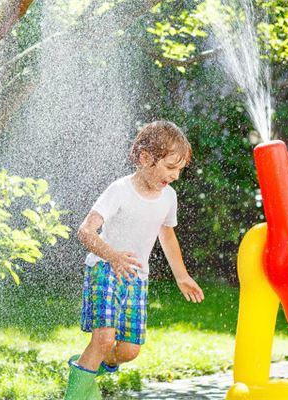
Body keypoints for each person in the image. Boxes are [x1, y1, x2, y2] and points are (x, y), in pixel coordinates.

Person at [64, 120, 205, 399]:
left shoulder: (169, 197)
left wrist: (182, 275)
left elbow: (167, 235)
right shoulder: (120, 190)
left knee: (129, 351)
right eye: (170, 167)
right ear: (145, 158)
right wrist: (113, 256)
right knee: (103, 339)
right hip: (105, 268)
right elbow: (85, 230)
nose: (175, 175)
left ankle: (86, 367)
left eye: (179, 169)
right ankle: (78, 394)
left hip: (136, 277)